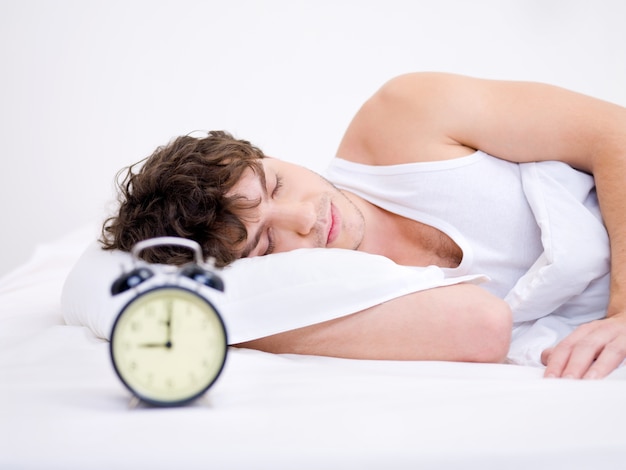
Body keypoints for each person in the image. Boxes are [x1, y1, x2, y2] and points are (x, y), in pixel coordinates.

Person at [101, 72, 626, 379]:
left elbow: (615, 134)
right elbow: (484, 328)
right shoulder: (348, 296)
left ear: (267, 155)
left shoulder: (404, 116)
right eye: (266, 244)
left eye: (276, 187)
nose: (308, 219)